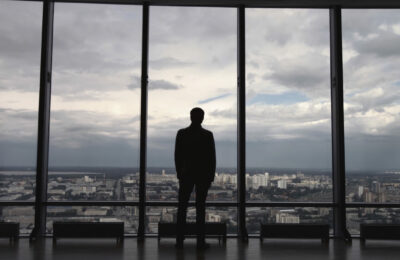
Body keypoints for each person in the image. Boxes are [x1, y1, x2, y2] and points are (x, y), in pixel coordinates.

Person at [174, 107, 216, 250]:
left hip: (186, 175)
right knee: (200, 208)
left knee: (182, 208)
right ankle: (200, 241)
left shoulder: (182, 133)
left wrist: (180, 173)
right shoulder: (207, 135)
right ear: (202, 118)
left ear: (190, 117)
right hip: (202, 176)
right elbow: (212, 158)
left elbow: (177, 156)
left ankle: (179, 241)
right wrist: (210, 176)